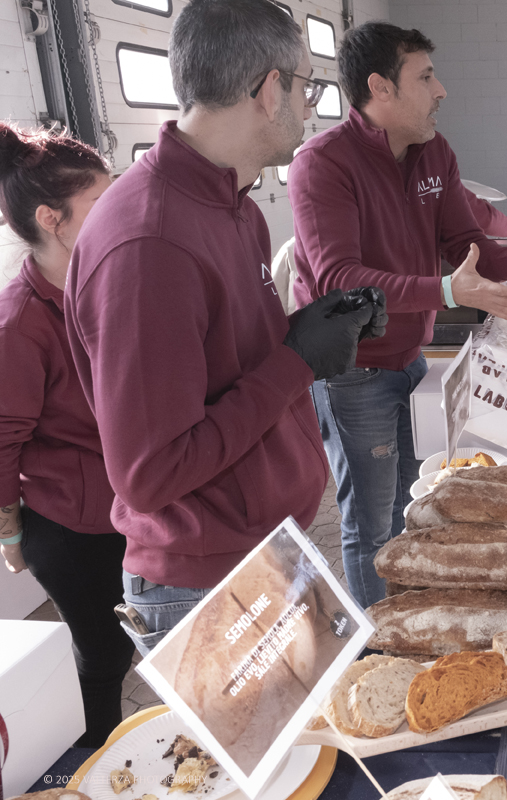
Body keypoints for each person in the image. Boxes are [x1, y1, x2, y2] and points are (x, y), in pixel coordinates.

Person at [65, 0, 380, 654]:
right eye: (308, 87)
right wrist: (297, 359)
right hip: (206, 584)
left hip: (266, 547)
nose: (311, 106)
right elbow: (150, 474)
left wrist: (313, 330)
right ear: (270, 90)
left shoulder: (235, 204)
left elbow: (226, 361)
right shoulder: (150, 242)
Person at [288, 22, 507, 608]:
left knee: (412, 507)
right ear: (380, 88)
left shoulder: (433, 151)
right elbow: (340, 280)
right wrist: (445, 291)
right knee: (371, 525)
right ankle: (379, 639)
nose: (441, 91)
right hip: (352, 372)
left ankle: (411, 615)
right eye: (425, 77)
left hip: (410, 363)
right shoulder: (323, 164)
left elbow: (464, 241)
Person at [0, 124, 132, 747]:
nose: (120, 214)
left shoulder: (106, 280)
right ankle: (90, 769)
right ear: (51, 220)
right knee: (104, 656)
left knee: (139, 641)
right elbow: (3, 438)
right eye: (101, 204)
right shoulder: (20, 323)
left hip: (130, 502)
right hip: (74, 526)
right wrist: (9, 532)